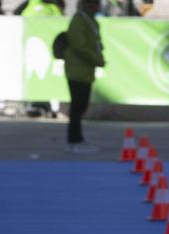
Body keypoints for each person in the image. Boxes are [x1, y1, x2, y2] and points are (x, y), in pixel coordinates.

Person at [62, 0, 104, 153]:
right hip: (77, 69)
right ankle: (74, 140)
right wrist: (96, 59)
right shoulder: (79, 21)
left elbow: (94, 42)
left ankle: (77, 138)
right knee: (78, 106)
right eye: (92, 4)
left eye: (96, 4)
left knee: (82, 105)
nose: (95, 6)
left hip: (85, 70)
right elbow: (79, 46)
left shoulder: (90, 20)